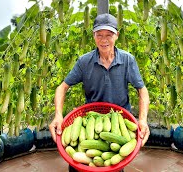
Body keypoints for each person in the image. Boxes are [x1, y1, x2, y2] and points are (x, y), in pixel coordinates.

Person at [49, 13, 150, 171]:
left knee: (115, 163)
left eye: (109, 35)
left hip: (120, 119)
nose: (104, 40)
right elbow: (62, 87)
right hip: (91, 118)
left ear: (117, 35)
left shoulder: (128, 60)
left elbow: (142, 90)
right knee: (77, 167)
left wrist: (142, 119)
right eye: (99, 35)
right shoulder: (84, 61)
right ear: (93, 36)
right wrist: (58, 115)